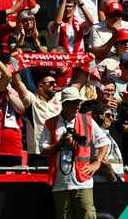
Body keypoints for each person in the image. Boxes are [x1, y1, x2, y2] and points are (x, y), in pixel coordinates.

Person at [40, 87, 111, 219]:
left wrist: (97, 162)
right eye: (74, 102)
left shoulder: (87, 120)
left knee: (88, 215)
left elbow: (104, 142)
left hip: (82, 180)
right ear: (65, 103)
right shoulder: (50, 123)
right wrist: (60, 144)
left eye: (78, 101)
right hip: (60, 182)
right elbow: (43, 150)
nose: (78, 105)